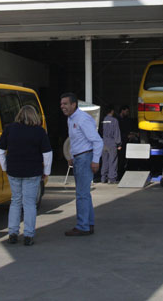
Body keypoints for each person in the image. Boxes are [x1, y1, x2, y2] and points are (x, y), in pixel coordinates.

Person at [0, 105, 53, 246]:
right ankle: (28, 235)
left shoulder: (9, 129)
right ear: (34, 116)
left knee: (15, 201)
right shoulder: (39, 131)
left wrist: (5, 167)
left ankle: (13, 233)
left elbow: (0, 149)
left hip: (14, 170)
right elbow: (47, 153)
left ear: (19, 115)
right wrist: (46, 171)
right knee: (29, 203)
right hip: (32, 171)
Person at [60, 92, 103, 236]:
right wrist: (71, 156)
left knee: (81, 194)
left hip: (85, 158)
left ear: (74, 104)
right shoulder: (71, 119)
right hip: (79, 158)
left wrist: (95, 160)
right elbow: (75, 140)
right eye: (61, 104)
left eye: (65, 104)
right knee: (84, 194)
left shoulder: (82, 119)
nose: (63, 106)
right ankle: (88, 224)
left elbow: (97, 141)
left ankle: (82, 226)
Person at [101, 104, 121, 184]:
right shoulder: (114, 120)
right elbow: (116, 133)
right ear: (112, 111)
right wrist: (119, 144)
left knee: (105, 161)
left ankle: (103, 178)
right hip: (112, 143)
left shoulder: (102, 120)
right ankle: (112, 178)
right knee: (112, 161)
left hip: (103, 142)